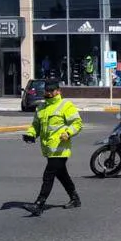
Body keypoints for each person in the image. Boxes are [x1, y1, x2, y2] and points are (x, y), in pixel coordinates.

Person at [22, 77, 83, 215]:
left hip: (60, 148)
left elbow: (77, 123)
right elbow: (36, 126)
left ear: (58, 91)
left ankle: (39, 204)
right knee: (62, 175)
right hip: (48, 149)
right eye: (46, 90)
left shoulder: (66, 105)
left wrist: (68, 132)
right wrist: (31, 134)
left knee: (48, 175)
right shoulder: (41, 107)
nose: (48, 92)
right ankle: (75, 198)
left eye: (51, 90)